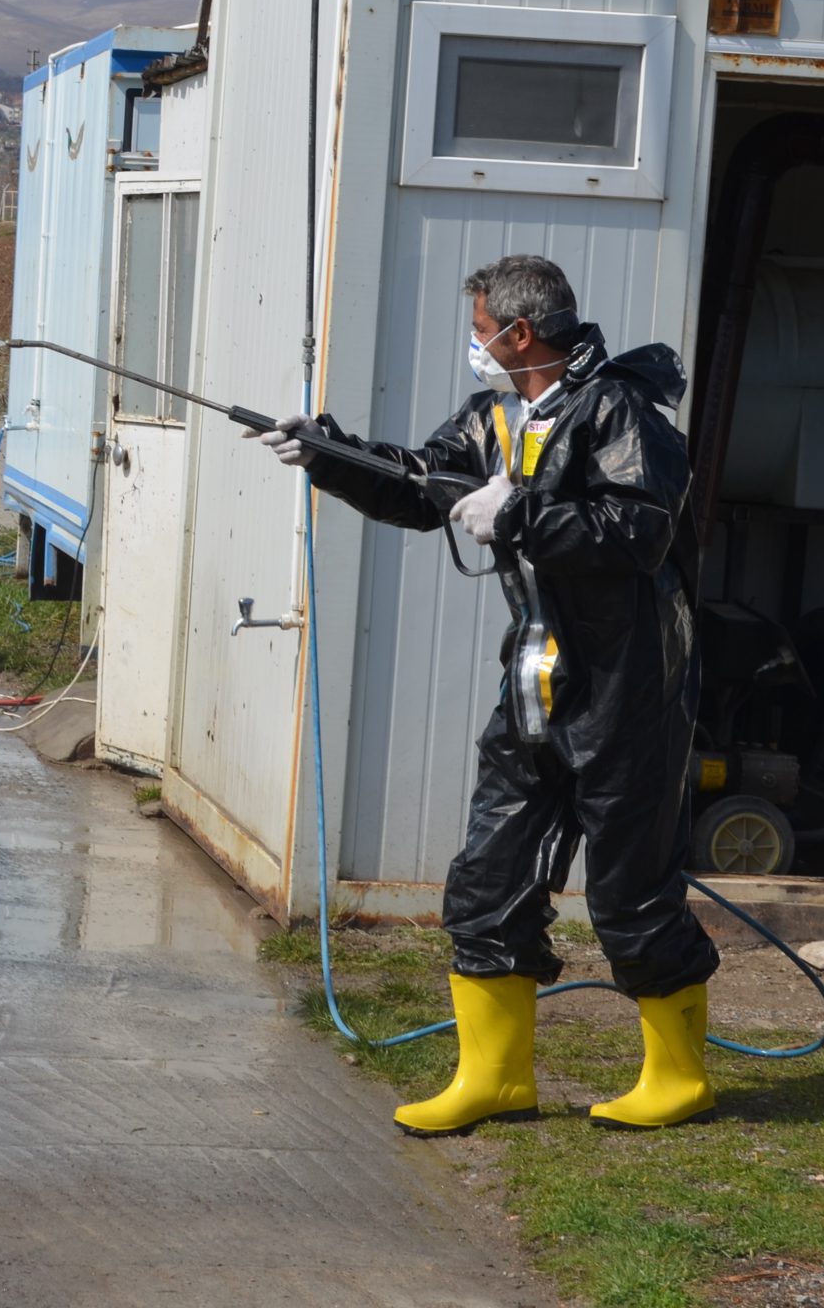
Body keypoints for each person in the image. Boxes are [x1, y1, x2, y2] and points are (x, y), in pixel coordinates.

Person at [251, 254, 718, 1134]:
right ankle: (497, 1080)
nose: (475, 347)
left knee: (631, 893)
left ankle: (680, 1079)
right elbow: (423, 484)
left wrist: (522, 514)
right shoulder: (494, 416)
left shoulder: (620, 412)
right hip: (537, 681)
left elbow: (641, 531)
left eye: (479, 333)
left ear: (520, 333)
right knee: (486, 879)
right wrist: (327, 451)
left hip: (630, 691)